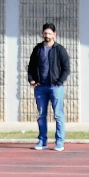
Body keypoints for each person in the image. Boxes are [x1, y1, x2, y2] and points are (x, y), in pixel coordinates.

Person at [27, 22, 70, 152]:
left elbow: (66, 68)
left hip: (55, 87)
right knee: (41, 115)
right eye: (45, 33)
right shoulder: (38, 49)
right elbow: (31, 66)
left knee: (58, 115)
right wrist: (32, 80)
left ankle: (59, 142)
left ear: (54, 34)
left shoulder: (60, 49)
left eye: (49, 33)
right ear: (42, 34)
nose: (47, 35)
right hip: (41, 87)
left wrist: (59, 81)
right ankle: (42, 140)